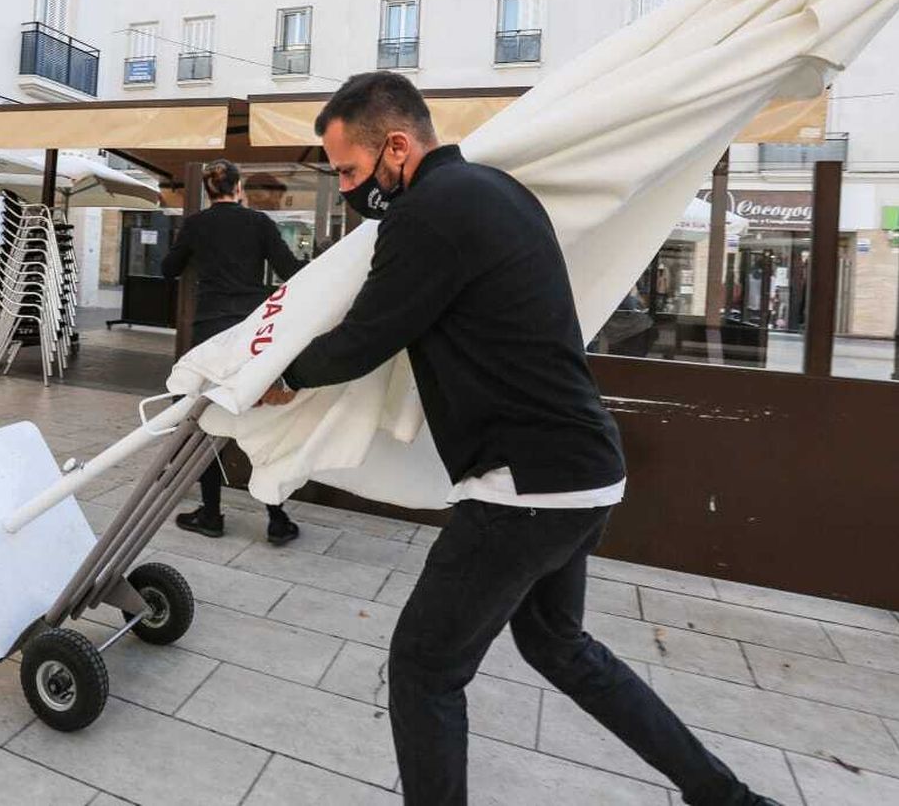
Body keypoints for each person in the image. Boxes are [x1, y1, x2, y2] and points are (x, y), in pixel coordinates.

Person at [256, 72, 778, 806]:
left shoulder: (427, 214)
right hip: (587, 469)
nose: (347, 188)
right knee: (559, 645)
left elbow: (364, 338)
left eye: (349, 169)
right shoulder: (500, 192)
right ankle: (728, 798)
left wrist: (275, 375)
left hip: (523, 486)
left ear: (397, 147)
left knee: (423, 669)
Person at [162, 158, 304, 545]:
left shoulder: (196, 225)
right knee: (255, 420)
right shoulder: (259, 223)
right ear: (238, 188)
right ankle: (276, 518)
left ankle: (210, 513)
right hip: (249, 336)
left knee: (203, 423)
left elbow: (168, 269)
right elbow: (291, 271)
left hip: (209, 334)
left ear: (209, 192)